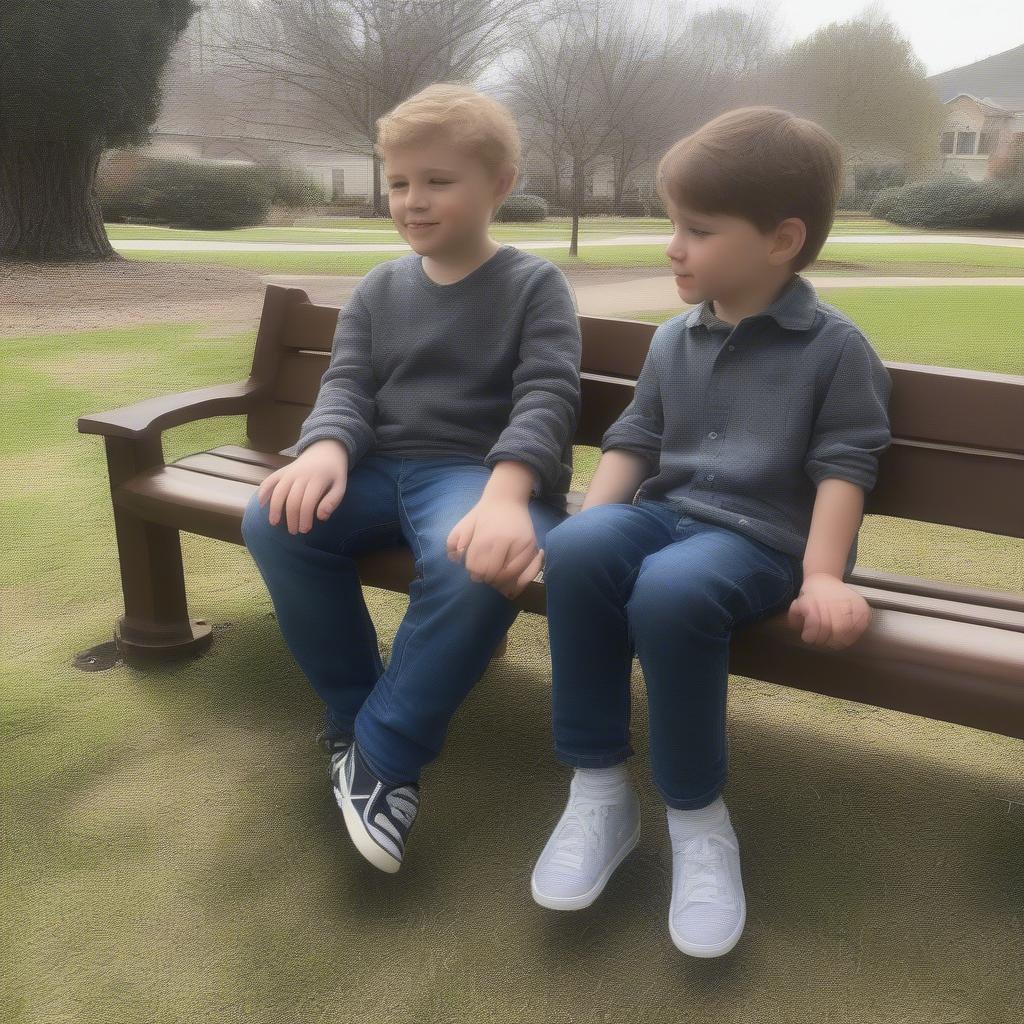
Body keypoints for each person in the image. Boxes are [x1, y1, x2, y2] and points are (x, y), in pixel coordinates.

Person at [529, 106, 892, 957]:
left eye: (697, 228)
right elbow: (636, 442)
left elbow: (847, 466)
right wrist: (587, 527)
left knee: (673, 589)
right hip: (666, 514)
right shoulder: (673, 338)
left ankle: (697, 820)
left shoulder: (836, 349)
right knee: (578, 548)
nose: (672, 246)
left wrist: (826, 576)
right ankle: (600, 791)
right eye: (672, 225)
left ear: (781, 239)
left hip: (762, 542)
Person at [241, 83, 581, 874]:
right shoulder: (379, 287)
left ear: (498, 186)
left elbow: (547, 396)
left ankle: (385, 755)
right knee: (275, 520)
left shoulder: (533, 287)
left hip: (478, 476)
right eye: (399, 183)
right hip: (375, 468)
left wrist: (509, 497)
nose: (412, 201)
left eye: (438, 181)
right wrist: (323, 449)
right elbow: (349, 386)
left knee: (478, 560)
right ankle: (356, 714)